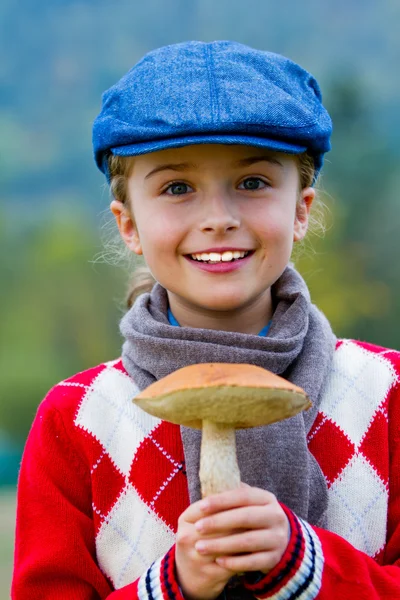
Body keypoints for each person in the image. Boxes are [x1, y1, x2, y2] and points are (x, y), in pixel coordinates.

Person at [12, 40, 400, 600]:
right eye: (176, 188)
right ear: (129, 226)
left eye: (252, 183)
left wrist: (305, 565)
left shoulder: (385, 394)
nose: (218, 218)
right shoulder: (77, 421)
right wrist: (172, 586)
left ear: (301, 210)